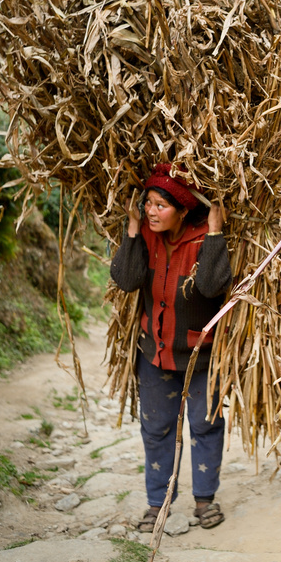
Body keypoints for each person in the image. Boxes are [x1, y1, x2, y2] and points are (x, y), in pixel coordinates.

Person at [110, 163, 232, 532]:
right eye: (148, 203)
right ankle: (157, 503)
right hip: (155, 355)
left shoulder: (200, 240)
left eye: (160, 205)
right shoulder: (146, 236)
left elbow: (212, 287)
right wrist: (132, 230)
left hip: (201, 355)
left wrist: (214, 233)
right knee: (156, 428)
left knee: (205, 425)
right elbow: (126, 280)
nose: (151, 211)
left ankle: (204, 501)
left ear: (182, 210)